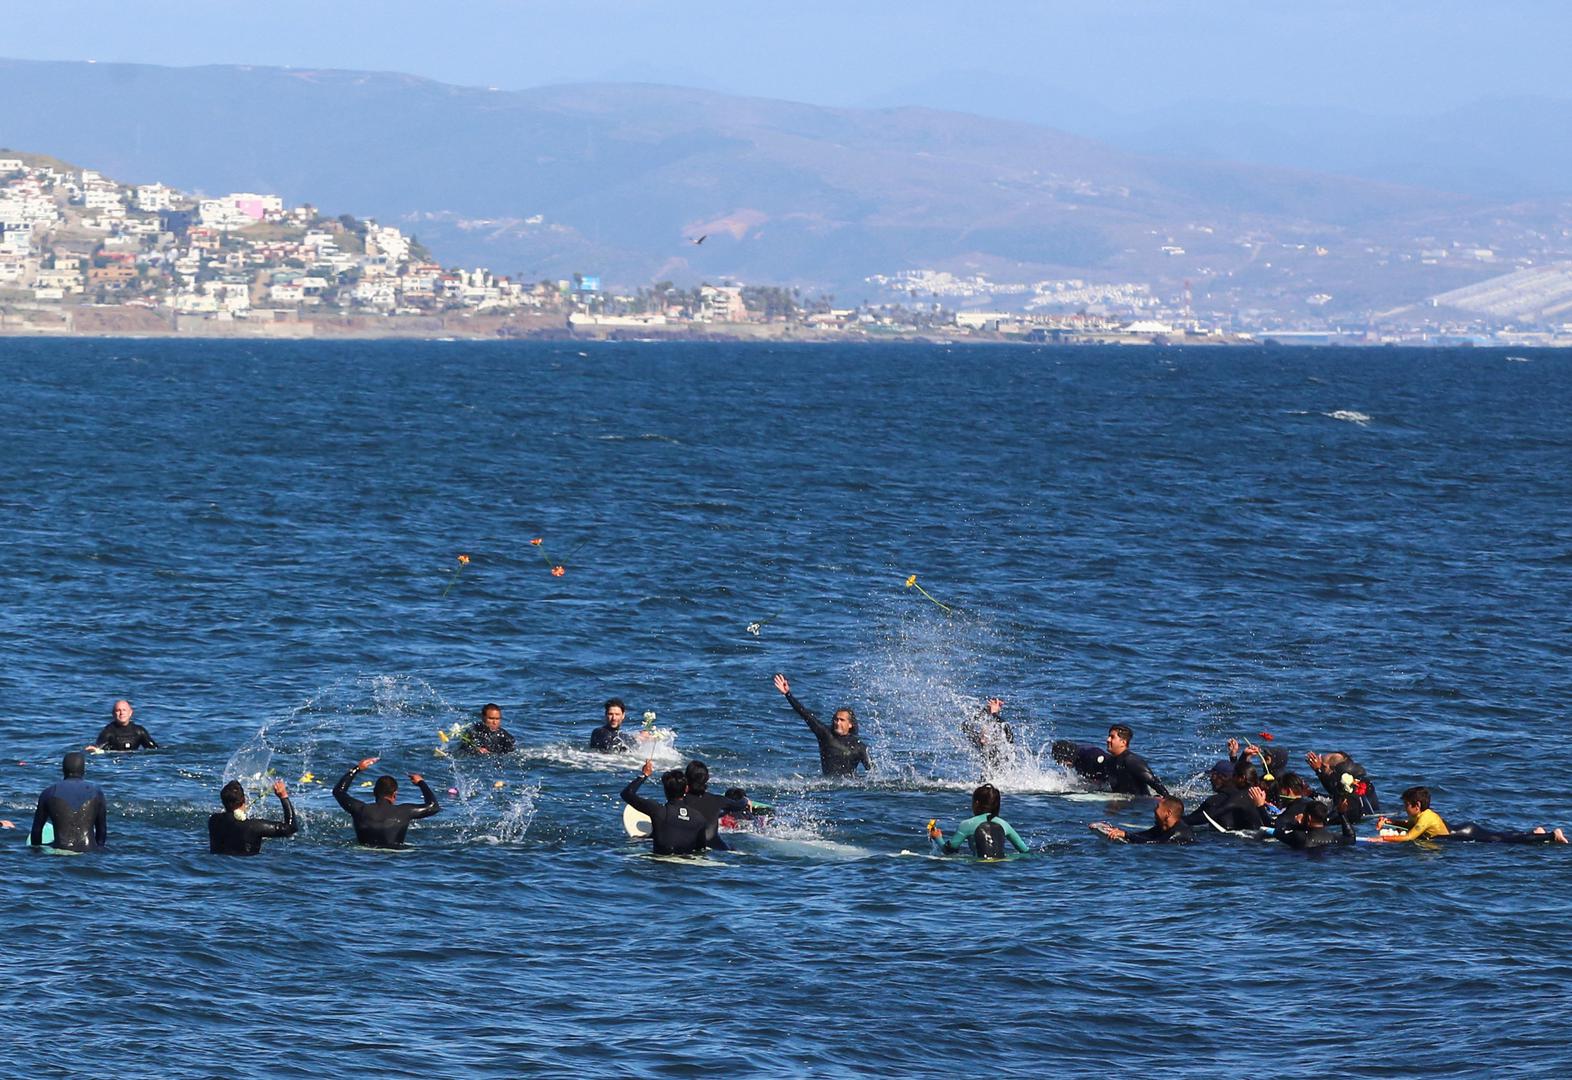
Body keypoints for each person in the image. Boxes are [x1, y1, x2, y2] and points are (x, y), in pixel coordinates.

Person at [1378, 786, 1567, 845]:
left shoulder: (1426, 817)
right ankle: (1536, 833)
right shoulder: (1419, 815)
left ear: (1416, 805)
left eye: (1406, 806)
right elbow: (1408, 825)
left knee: (1502, 840)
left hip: (1466, 833)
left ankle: (1551, 836)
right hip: (1461, 829)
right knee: (1503, 835)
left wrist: (1379, 840)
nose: (1404, 809)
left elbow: (1410, 836)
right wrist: (1390, 823)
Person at [773, 673, 872, 777]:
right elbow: (805, 714)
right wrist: (788, 694)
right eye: (836, 719)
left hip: (849, 789)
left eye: (842, 720)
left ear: (850, 724)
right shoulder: (826, 735)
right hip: (828, 786)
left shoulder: (859, 745)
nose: (837, 722)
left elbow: (873, 773)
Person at [332, 757, 440, 848]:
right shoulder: (405, 812)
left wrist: (357, 769)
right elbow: (433, 806)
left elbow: (338, 792)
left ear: (374, 792)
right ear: (394, 795)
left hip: (364, 856)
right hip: (396, 858)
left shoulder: (360, 810)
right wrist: (421, 782)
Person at [621, 759, 718, 856]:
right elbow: (700, 850)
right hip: (687, 864)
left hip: (659, 863)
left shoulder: (657, 811)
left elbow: (626, 794)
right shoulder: (699, 818)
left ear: (665, 790)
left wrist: (644, 775)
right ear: (686, 789)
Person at [30, 751, 107, 852]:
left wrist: (36, 851)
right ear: (83, 770)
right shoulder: (97, 793)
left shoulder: (48, 793)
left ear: (63, 769)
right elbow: (102, 832)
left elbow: (36, 831)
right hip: (89, 851)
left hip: (59, 851)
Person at [928, 783, 1029, 858]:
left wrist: (938, 838)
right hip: (1002, 865)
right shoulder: (1004, 824)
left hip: (978, 865)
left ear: (976, 803)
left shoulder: (967, 824)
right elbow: (1024, 850)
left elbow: (949, 850)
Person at [209, 779, 298, 855]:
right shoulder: (254, 827)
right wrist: (283, 796)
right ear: (244, 800)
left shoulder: (213, 821)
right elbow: (291, 828)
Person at [683, 760, 753, 845]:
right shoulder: (717, 801)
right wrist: (745, 800)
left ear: (686, 778)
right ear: (707, 778)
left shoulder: (679, 800)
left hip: (686, 843)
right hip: (713, 844)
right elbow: (738, 805)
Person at [1306, 750, 1379, 822]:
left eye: (1323, 767)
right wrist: (1312, 794)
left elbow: (1333, 789)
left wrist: (1319, 771)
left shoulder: (1346, 790)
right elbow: (1333, 793)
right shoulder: (1364, 784)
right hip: (1371, 820)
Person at [1091, 796, 1193, 844]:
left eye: (1157, 807)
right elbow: (1144, 835)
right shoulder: (1162, 827)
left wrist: (1126, 835)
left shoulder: (1179, 833)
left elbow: (1154, 843)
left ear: (1168, 813)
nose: (1154, 810)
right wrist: (1116, 831)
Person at [1103, 725, 1170, 798]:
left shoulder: (1132, 760)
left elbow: (1152, 781)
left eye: (1112, 737)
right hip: (1121, 801)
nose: (1108, 740)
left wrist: (1168, 798)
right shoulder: (1109, 761)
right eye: (1109, 736)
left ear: (1123, 742)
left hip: (1139, 804)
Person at [961, 698, 1015, 776]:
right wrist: (985, 711)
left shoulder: (1004, 746)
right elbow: (965, 726)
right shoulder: (981, 745)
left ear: (993, 736)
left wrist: (994, 713)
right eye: (981, 735)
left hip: (1002, 781)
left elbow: (1006, 727)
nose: (982, 739)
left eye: (985, 735)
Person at [87, 699, 158, 753]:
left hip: (135, 763)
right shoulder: (108, 732)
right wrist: (93, 750)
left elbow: (154, 750)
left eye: (124, 710)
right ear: (113, 714)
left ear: (130, 713)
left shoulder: (139, 731)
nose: (121, 713)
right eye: (118, 710)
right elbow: (98, 749)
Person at [1278, 801, 1356, 850]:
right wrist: (1342, 814)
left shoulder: (1300, 837)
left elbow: (1278, 833)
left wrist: (1295, 823)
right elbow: (1351, 838)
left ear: (1309, 817)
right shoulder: (1335, 837)